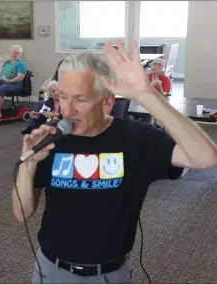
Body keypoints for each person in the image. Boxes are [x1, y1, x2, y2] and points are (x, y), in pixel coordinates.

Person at [12, 39, 217, 283]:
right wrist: (28, 164)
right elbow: (22, 213)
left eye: (81, 99)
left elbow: (205, 157)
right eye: (64, 97)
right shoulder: (51, 139)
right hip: (50, 269)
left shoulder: (136, 138)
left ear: (107, 102)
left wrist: (146, 95)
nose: (68, 110)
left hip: (108, 275)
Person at [0, 45, 28, 123]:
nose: (14, 54)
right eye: (13, 52)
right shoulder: (7, 62)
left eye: (17, 53)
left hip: (16, 84)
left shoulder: (20, 64)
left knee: (1, 88)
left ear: (20, 54)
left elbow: (20, 77)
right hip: (3, 82)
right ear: (11, 53)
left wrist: (8, 81)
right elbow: (0, 72)